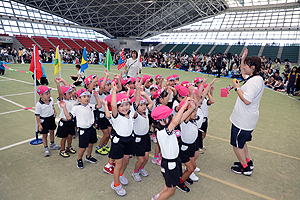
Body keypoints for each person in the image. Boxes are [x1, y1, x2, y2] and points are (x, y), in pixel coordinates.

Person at [151, 98, 195, 200]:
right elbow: (175, 121)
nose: (171, 118)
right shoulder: (163, 132)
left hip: (173, 161)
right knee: (171, 190)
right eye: (169, 117)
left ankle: (157, 196)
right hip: (170, 164)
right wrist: (184, 106)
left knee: (169, 184)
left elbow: (179, 120)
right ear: (161, 121)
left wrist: (190, 109)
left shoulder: (164, 129)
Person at [230, 49, 264, 176]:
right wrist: (243, 58)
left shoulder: (254, 82)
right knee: (242, 142)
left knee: (237, 144)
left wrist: (237, 88)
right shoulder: (255, 78)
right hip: (245, 118)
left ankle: (245, 168)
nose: (244, 67)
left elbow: (247, 100)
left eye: (246, 65)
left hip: (243, 120)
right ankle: (247, 162)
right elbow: (243, 72)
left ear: (253, 67)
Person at [62, 88, 102, 169]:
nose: (86, 98)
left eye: (88, 96)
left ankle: (88, 157)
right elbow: (69, 117)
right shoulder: (76, 108)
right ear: (79, 98)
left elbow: (99, 106)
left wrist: (96, 97)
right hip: (83, 131)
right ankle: (79, 159)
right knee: (83, 147)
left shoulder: (90, 105)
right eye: (84, 96)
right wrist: (64, 107)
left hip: (92, 128)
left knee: (91, 144)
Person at [109, 83, 135, 196]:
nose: (125, 107)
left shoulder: (130, 113)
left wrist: (138, 89)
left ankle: (121, 174)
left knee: (126, 161)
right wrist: (114, 91)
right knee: (118, 165)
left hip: (129, 140)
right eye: (122, 105)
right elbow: (113, 106)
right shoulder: (116, 116)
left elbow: (137, 102)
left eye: (127, 104)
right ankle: (116, 184)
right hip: (118, 142)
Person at [131, 86, 154, 182]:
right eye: (141, 105)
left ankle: (141, 169)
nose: (144, 106)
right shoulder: (135, 115)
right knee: (140, 159)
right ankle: (135, 172)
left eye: (144, 104)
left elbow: (151, 103)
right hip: (138, 139)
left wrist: (145, 95)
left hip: (146, 137)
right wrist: (137, 91)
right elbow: (135, 106)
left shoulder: (146, 111)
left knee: (146, 158)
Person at [35, 86, 60, 157]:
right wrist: (39, 125)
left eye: (49, 93)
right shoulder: (39, 105)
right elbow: (37, 115)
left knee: (52, 131)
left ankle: (52, 144)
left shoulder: (51, 99)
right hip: (44, 120)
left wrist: (54, 112)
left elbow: (52, 106)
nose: (49, 95)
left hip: (51, 118)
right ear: (41, 95)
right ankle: (46, 147)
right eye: (46, 94)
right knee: (44, 134)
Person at [55, 78, 77, 158]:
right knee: (64, 138)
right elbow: (60, 93)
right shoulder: (62, 100)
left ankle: (69, 147)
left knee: (70, 136)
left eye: (71, 93)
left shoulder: (72, 100)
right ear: (64, 95)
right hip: (64, 122)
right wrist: (58, 84)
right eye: (69, 93)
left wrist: (64, 81)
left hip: (71, 121)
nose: (71, 94)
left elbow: (68, 87)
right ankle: (62, 150)